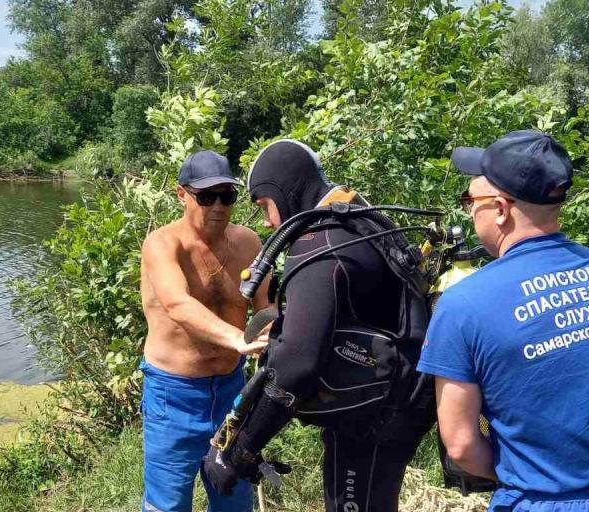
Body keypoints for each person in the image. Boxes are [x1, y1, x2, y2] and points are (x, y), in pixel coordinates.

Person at [416, 130, 589, 511]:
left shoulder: (464, 305)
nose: (469, 211)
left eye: (470, 200)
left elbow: (462, 445)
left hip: (541, 500)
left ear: (500, 208)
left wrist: (527, 476)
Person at [201, 139, 436, 512]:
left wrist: (238, 451)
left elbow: (295, 366)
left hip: (374, 417)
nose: (267, 221)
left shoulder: (317, 242)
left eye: (265, 205)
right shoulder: (357, 216)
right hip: (406, 395)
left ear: (285, 190)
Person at [140, 150, 271, 512]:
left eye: (227, 196)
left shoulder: (249, 243)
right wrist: (237, 338)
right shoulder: (163, 245)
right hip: (173, 393)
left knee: (233, 496)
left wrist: (274, 330)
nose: (218, 206)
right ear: (182, 194)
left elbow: (266, 305)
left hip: (232, 390)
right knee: (167, 504)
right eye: (206, 196)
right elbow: (176, 304)